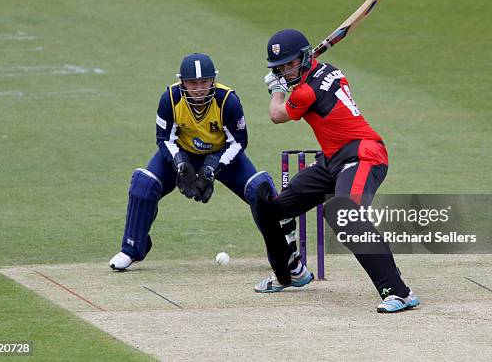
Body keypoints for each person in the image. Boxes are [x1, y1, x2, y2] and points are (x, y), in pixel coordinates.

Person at [109, 53, 313, 290]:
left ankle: (283, 260)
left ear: (213, 81)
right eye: (193, 84)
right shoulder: (170, 98)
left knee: (260, 190)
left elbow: (238, 142)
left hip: (222, 156)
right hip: (181, 154)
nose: (198, 89)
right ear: (182, 82)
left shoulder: (228, 100)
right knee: (144, 184)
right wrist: (180, 164)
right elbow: (163, 138)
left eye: (204, 82)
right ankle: (132, 249)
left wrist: (212, 167)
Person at [251, 29, 419, 313]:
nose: (285, 71)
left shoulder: (305, 91)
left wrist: (276, 89)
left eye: (290, 64)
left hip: (364, 154)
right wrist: (286, 80)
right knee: (271, 208)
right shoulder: (328, 69)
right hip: (332, 160)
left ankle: (399, 292)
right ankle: (290, 273)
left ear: (305, 58)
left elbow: (277, 115)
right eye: (279, 67)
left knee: (346, 216)